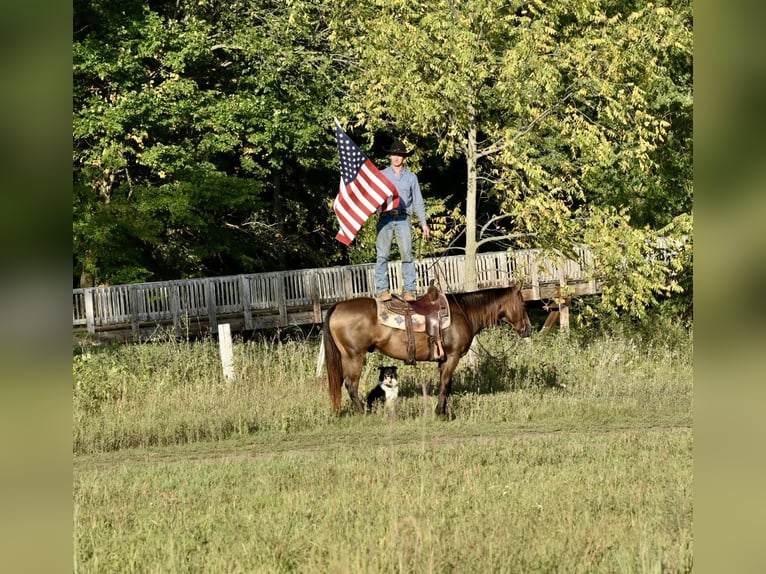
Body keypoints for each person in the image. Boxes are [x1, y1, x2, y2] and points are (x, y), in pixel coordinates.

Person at [375, 139, 430, 302]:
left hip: (403, 218)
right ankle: (382, 289)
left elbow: (418, 201)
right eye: (394, 154)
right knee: (382, 255)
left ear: (404, 157)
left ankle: (409, 290)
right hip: (385, 217)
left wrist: (423, 223)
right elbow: (374, 197)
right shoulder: (382, 175)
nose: (397, 158)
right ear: (390, 156)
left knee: (407, 254)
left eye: (400, 155)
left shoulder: (411, 177)